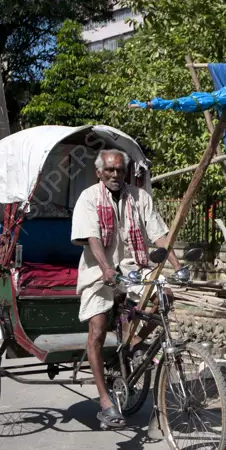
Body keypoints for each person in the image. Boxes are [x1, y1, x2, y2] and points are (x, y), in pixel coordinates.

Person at [71, 148, 179, 427]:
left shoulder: (140, 197)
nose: (116, 175)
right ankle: (105, 402)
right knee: (96, 328)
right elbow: (92, 237)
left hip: (134, 268)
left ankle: (133, 344)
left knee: (165, 296)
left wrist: (178, 267)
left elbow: (160, 235)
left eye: (120, 170)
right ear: (99, 172)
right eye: (110, 170)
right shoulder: (89, 198)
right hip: (99, 271)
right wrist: (106, 269)